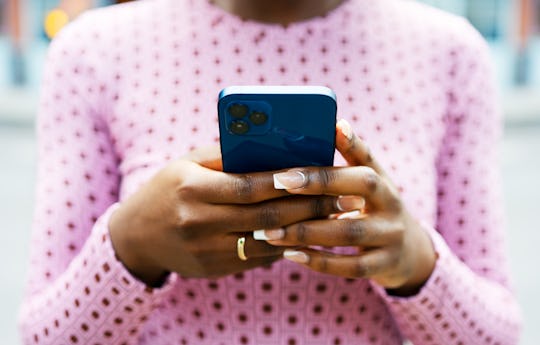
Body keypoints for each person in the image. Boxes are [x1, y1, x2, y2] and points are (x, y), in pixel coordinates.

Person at [18, 0, 523, 344]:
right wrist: (133, 245)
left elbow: (499, 333)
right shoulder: (94, 53)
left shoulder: (448, 53)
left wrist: (416, 264)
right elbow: (44, 334)